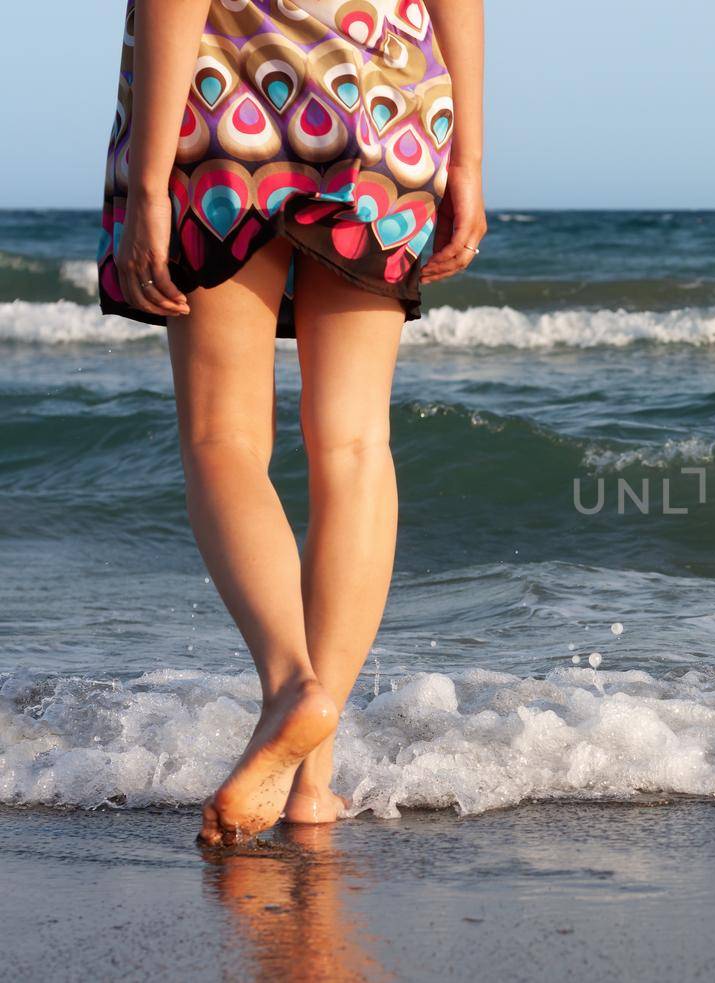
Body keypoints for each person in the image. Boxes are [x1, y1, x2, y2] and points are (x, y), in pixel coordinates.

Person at [98, 0, 486, 845]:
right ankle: (313, 785)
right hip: (392, 103)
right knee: (354, 443)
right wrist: (469, 160)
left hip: (230, 103)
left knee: (222, 435)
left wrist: (154, 177)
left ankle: (289, 685)